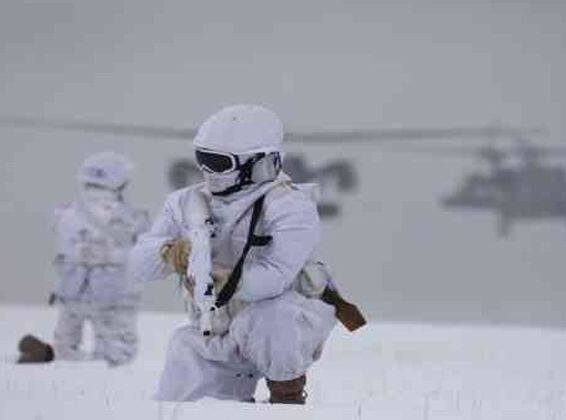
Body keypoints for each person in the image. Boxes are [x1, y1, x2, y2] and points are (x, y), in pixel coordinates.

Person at [129, 104, 364, 404]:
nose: (208, 171)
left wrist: (220, 277)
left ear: (259, 163)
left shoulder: (289, 206)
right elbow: (138, 264)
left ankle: (287, 396)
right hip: (216, 325)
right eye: (203, 159)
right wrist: (170, 254)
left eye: (219, 163)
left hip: (286, 322)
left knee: (271, 318)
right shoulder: (187, 202)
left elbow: (275, 278)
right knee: (181, 393)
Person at [17, 151, 150, 367]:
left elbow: (64, 251)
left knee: (66, 344)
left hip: (73, 288)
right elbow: (142, 252)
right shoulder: (129, 217)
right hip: (113, 291)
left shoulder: (68, 213)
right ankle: (64, 362)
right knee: (116, 353)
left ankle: (51, 358)